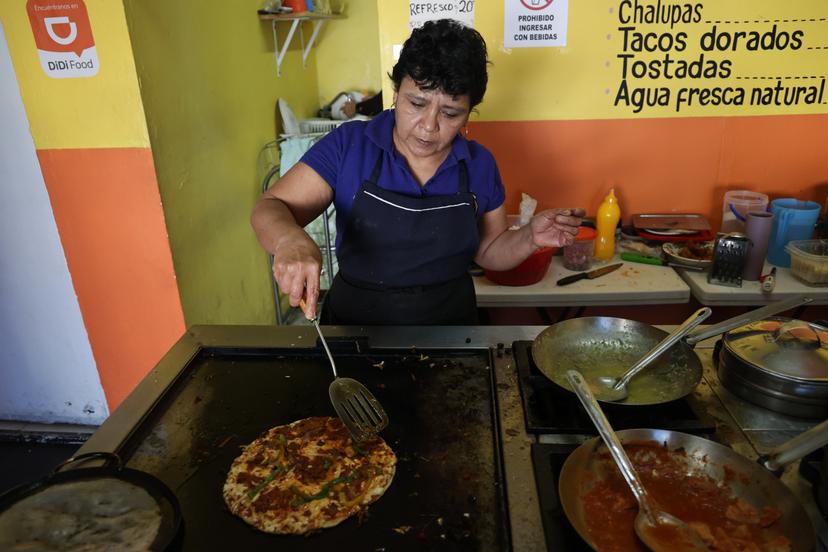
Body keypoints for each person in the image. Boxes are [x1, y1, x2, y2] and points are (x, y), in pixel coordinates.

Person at [251, 18, 585, 325]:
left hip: (451, 331)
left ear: (469, 114)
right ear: (396, 92)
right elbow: (270, 206)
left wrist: (529, 238)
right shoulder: (350, 146)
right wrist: (289, 239)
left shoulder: (479, 164)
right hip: (355, 328)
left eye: (451, 113)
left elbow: (489, 250)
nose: (428, 127)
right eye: (416, 104)